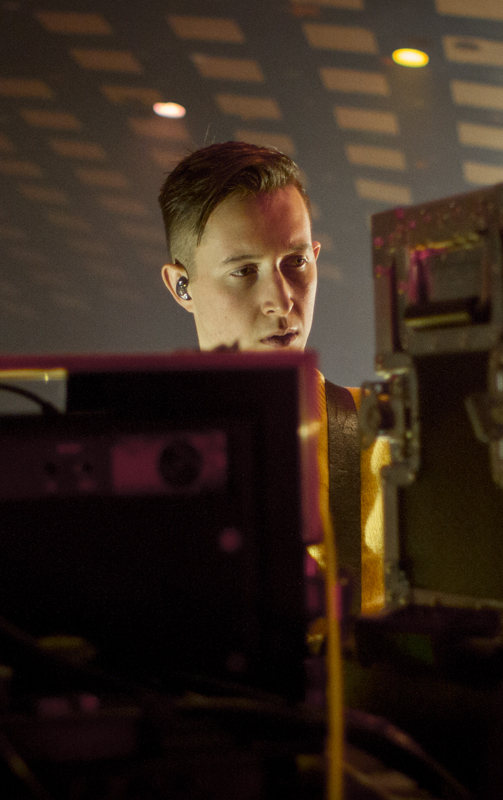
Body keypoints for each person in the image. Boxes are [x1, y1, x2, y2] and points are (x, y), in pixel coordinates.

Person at [157, 141, 387, 614]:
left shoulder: (387, 436)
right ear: (182, 285)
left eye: (297, 262)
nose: (281, 301)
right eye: (244, 271)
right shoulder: (128, 448)